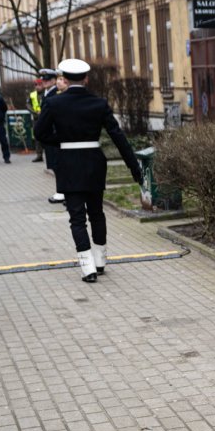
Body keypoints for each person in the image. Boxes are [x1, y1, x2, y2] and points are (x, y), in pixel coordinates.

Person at [34, 59, 143, 283]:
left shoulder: (55, 103)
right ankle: (101, 261)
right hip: (94, 162)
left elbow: (39, 133)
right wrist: (134, 167)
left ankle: (87, 268)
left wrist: (61, 141)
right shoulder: (99, 103)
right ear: (86, 78)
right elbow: (118, 137)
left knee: (76, 218)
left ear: (63, 77)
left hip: (68, 163)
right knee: (97, 213)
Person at [39, 69, 64, 203]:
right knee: (54, 164)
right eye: (43, 80)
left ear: (54, 80)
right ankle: (61, 191)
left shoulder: (55, 93)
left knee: (58, 164)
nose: (44, 82)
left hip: (54, 134)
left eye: (47, 80)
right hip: (49, 134)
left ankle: (61, 192)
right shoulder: (47, 93)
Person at [28, 78, 44, 162]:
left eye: (39, 85)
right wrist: (34, 112)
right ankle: (39, 155)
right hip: (36, 118)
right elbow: (28, 105)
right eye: (36, 85)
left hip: (46, 117)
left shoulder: (46, 93)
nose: (37, 87)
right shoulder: (32, 94)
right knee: (37, 136)